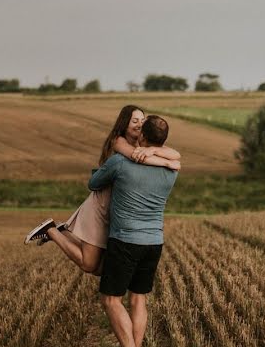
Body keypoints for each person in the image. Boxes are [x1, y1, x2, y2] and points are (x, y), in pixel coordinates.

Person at [24, 105, 180, 276]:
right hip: (102, 206)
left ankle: (62, 231)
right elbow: (138, 158)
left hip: (120, 210)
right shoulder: (119, 142)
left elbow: (176, 154)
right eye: (134, 121)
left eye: (142, 121)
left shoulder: (146, 145)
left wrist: (154, 150)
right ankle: (51, 230)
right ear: (124, 125)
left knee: (102, 269)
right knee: (89, 264)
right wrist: (166, 162)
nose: (139, 124)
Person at [88, 115, 178, 347]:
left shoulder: (119, 163)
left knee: (110, 300)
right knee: (139, 299)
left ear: (142, 137)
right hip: (154, 242)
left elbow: (94, 184)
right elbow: (172, 157)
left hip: (125, 240)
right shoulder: (171, 170)